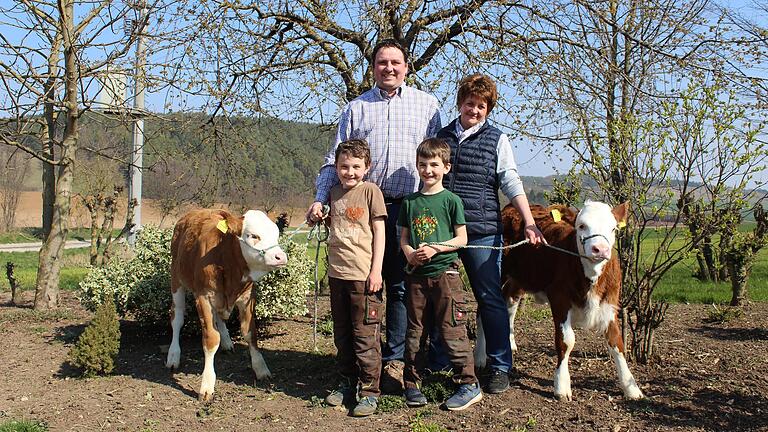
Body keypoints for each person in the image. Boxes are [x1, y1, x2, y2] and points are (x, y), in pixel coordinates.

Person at [306, 39, 442, 392]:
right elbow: (330, 161)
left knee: (398, 286)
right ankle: (359, 361)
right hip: (358, 210)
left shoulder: (427, 106)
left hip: (407, 208)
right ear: (374, 67)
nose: (389, 68)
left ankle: (393, 361)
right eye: (382, 62)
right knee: (359, 283)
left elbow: (438, 160)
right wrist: (321, 199)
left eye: (395, 62)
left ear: (406, 66)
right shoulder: (356, 108)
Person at [437, 73, 546, 394]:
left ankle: (500, 367)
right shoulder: (442, 137)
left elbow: (510, 180)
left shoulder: (497, 140)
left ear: (489, 109)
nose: (475, 110)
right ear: (460, 104)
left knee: (490, 298)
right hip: (444, 229)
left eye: (482, 106)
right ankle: (442, 359)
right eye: (470, 103)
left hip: (483, 230)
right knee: (440, 297)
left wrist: (528, 220)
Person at [398, 138, 482, 411]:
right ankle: (412, 384)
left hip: (446, 274)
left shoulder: (451, 201)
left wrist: (435, 249)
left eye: (434, 165)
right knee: (415, 331)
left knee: (452, 329)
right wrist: (410, 253)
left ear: (446, 167)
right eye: (422, 165)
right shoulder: (410, 202)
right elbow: (404, 238)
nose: (428, 170)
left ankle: (468, 383)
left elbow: (461, 239)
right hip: (416, 277)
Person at [315, 139, 387, 417]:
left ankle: (369, 392)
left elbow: (379, 233)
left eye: (356, 166)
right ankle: (346, 382)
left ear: (367, 168)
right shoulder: (333, 193)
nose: (350, 172)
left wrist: (376, 271)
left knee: (365, 335)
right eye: (344, 166)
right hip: (337, 275)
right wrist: (319, 215)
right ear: (336, 167)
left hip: (363, 276)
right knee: (342, 334)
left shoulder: (371, 192)